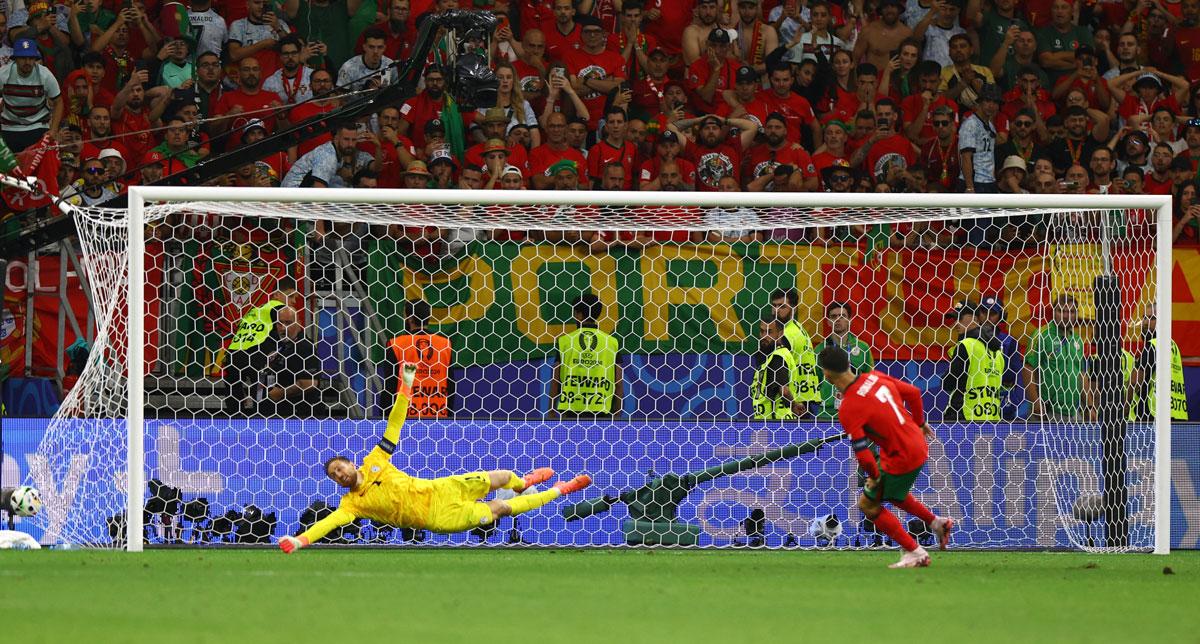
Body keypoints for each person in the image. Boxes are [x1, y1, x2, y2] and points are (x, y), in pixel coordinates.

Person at [278, 365, 593, 553]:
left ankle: (524, 482)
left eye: (339, 467)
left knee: (502, 477)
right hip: (438, 518)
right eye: (334, 475)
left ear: (350, 463)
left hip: (441, 488)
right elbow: (327, 523)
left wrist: (407, 386)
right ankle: (561, 490)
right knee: (499, 508)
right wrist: (300, 541)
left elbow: (395, 424)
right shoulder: (352, 504)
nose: (339, 474)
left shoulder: (375, 460)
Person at [817, 345, 953, 568]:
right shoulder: (874, 376)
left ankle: (915, 552)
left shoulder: (849, 407)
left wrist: (874, 475)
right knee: (893, 494)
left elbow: (862, 452)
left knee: (868, 504)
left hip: (902, 454)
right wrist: (919, 423)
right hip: (915, 443)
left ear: (827, 374)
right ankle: (937, 523)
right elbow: (914, 393)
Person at [549, 294, 623, 418]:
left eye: (575, 312)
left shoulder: (565, 341)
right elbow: (618, 382)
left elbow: (556, 380)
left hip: (570, 410)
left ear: (579, 314)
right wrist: (617, 412)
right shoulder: (611, 342)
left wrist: (551, 410)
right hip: (602, 411)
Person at [224, 287, 292, 415]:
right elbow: (285, 329)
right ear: (277, 294)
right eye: (291, 296)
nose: (293, 301)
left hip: (234, 352)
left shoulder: (254, 310)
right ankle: (260, 422)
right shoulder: (278, 307)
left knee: (233, 390)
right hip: (257, 353)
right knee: (261, 393)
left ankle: (235, 421)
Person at [942, 301, 1012, 421]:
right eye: (954, 319)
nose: (955, 323)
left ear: (973, 318)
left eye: (960, 318)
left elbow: (948, 383)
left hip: (963, 415)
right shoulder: (998, 351)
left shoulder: (966, 345)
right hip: (991, 417)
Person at [385, 299, 452, 419]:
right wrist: (449, 417)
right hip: (439, 415)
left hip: (403, 417)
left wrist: (385, 419)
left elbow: (389, 386)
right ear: (429, 317)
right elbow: (451, 385)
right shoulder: (445, 344)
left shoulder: (396, 344)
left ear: (409, 319)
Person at [1024, 294, 1087, 420]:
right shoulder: (1041, 335)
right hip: (1047, 411)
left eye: (1071, 312)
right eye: (1061, 311)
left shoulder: (1078, 340)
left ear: (1077, 314)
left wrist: (1089, 406)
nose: (1065, 316)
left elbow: (1081, 374)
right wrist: (1036, 403)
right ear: (1053, 312)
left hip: (1073, 412)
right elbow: (1027, 369)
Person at [814, 302, 876, 420]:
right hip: (826, 414)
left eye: (842, 316)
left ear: (850, 320)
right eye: (833, 316)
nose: (838, 319)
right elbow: (814, 381)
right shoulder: (820, 350)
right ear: (828, 321)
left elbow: (870, 379)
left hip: (855, 411)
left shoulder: (862, 348)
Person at [0, 38, 62, 153]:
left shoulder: (45, 75)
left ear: (35, 59)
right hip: (9, 126)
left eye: (31, 58)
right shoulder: (3, 74)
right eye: (23, 58)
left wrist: (53, 129)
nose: (27, 62)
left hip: (38, 125)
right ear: (15, 59)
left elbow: (59, 102)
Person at [1128, 306, 1189, 421]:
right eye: (1144, 317)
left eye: (1152, 318)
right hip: (1176, 414)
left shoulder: (1153, 345)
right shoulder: (1173, 346)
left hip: (1153, 415)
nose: (1146, 322)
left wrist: (1124, 407)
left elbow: (1135, 381)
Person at [261, 304, 322, 417]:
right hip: (281, 414)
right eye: (280, 323)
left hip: (299, 416)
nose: (283, 327)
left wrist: (280, 394)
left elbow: (309, 383)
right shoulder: (283, 346)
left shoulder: (304, 346)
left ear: (298, 323)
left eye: (288, 323)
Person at [770, 288, 821, 416]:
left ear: (794, 308)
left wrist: (791, 402)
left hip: (790, 405)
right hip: (804, 399)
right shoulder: (799, 327)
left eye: (782, 306)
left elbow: (778, 374)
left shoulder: (786, 336)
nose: (776, 310)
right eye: (774, 305)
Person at [751, 318, 804, 420]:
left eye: (769, 332)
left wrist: (793, 405)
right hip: (766, 420)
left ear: (780, 333)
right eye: (762, 331)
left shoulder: (778, 357)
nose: (764, 336)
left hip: (776, 422)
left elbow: (784, 391)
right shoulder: (770, 356)